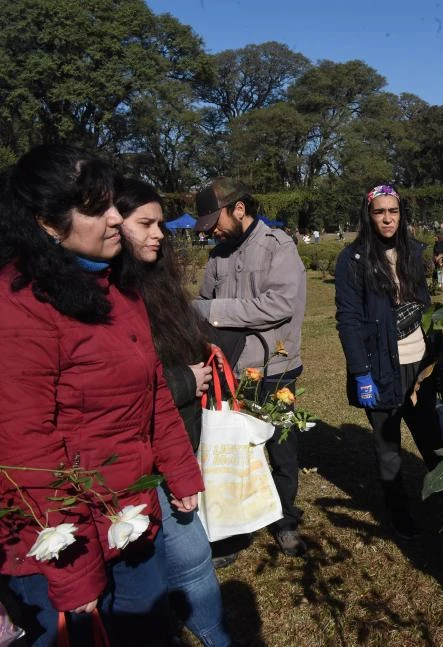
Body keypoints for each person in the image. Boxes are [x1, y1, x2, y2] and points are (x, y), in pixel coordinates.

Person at [0, 145, 204, 645]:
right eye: (96, 208)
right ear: (47, 223)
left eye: (113, 203)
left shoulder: (118, 288)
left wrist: (178, 470)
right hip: (60, 538)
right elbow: (24, 449)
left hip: (129, 515)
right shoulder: (18, 308)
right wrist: (71, 568)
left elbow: (153, 388)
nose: (116, 219)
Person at [112, 177, 234, 646]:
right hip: (134, 460)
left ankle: (213, 634)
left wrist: (207, 348)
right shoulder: (99, 294)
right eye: (145, 223)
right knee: (162, 570)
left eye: (159, 223)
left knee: (191, 558)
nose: (159, 233)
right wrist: (187, 379)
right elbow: (119, 383)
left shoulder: (155, 282)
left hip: (175, 441)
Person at [334, 185, 443, 538]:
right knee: (389, 447)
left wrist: (435, 354)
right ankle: (399, 513)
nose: (387, 218)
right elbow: (347, 319)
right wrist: (360, 372)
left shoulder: (412, 252)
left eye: (393, 211)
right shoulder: (353, 259)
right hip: (379, 368)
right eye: (380, 211)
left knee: (432, 439)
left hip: (419, 365)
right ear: (369, 215)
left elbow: (424, 305)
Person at [193, 177, 308, 559]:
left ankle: (285, 520)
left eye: (215, 220)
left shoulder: (279, 247)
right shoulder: (217, 256)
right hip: (229, 371)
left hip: (276, 368)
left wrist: (215, 313)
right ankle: (234, 529)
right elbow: (201, 304)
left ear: (239, 209)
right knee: (231, 450)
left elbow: (280, 305)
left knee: (283, 448)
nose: (210, 230)